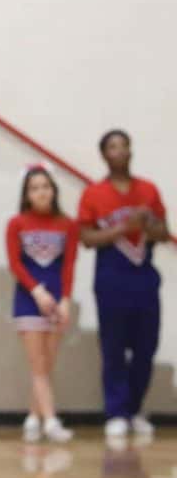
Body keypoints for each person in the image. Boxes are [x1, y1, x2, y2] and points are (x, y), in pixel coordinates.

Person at [78, 130, 169, 439]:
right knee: (113, 347)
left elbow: (163, 233)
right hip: (111, 279)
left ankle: (134, 409)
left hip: (144, 278)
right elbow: (87, 238)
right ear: (104, 155)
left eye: (124, 145)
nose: (119, 151)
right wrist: (123, 228)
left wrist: (149, 223)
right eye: (112, 146)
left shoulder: (148, 190)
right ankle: (117, 412)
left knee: (146, 347)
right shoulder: (94, 193)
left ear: (131, 151)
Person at [6, 165, 79, 443]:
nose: (41, 192)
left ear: (54, 190)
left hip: (56, 301)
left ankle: (33, 417)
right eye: (34, 188)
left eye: (45, 186)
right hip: (28, 300)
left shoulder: (68, 224)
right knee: (37, 364)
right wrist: (37, 292)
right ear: (27, 194)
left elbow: (69, 265)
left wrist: (66, 301)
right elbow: (15, 263)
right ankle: (50, 421)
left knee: (46, 365)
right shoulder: (16, 223)